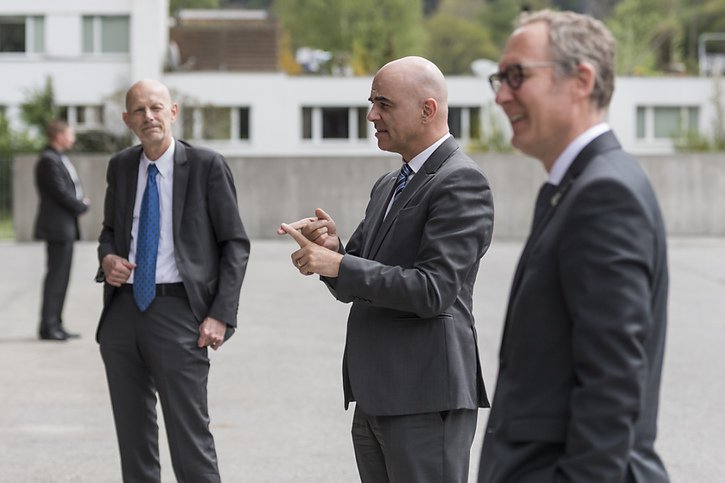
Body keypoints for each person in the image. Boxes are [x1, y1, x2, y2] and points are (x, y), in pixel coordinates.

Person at [279, 56, 494, 483]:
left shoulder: (460, 181)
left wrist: (341, 264)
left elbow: (433, 291)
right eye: (371, 102)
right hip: (377, 395)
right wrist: (332, 251)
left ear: (427, 110)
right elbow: (353, 281)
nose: (371, 114)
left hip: (424, 398)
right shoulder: (389, 184)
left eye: (384, 103)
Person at [477, 10, 669, 483]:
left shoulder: (606, 194)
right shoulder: (579, 185)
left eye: (517, 76)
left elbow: (612, 387)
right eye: (499, 79)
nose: (502, 95)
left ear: (581, 80)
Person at [96, 79, 250, 483]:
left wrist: (220, 314)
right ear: (127, 120)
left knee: (189, 437)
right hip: (123, 313)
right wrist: (108, 258)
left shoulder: (207, 166)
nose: (149, 116)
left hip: (179, 313)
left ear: (173, 112)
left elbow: (235, 244)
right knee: (133, 438)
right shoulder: (121, 166)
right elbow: (110, 231)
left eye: (156, 107)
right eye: (139, 110)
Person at [33, 120, 89, 341]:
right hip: (57, 227)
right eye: (70, 134)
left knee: (61, 277)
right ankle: (49, 326)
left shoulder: (58, 158)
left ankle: (56, 323)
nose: (73, 138)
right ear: (58, 135)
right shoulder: (48, 160)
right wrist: (81, 205)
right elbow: (60, 192)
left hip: (64, 226)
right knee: (56, 277)